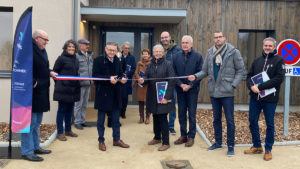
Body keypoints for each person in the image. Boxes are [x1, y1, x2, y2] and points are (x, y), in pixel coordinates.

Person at [188, 31, 245, 156]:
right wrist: (195, 76)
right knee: (216, 119)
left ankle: (230, 146)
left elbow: (241, 71)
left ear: (224, 38)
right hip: (214, 91)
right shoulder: (210, 52)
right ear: (213, 39)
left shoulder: (233, 52)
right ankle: (218, 142)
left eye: (220, 37)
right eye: (216, 37)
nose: (218, 39)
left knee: (230, 120)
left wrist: (233, 85)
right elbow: (204, 71)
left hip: (227, 92)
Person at [244, 37, 285, 161]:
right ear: (263, 46)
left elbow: (279, 79)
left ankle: (268, 149)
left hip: (270, 99)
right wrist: (251, 86)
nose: (267, 47)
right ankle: (257, 146)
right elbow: (249, 76)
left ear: (274, 47)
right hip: (255, 97)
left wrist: (260, 87)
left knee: (270, 124)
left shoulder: (279, 60)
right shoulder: (257, 60)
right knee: (252, 121)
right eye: (265, 45)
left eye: (270, 46)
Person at [21, 29, 56, 162]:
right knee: (29, 124)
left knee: (36, 123)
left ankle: (36, 147)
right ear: (36, 38)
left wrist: (50, 72)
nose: (47, 42)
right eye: (45, 39)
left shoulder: (42, 50)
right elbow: (22, 68)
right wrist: (32, 81)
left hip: (41, 92)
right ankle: (27, 151)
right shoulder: (28, 49)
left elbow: (42, 67)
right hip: (31, 93)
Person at [93, 42, 130, 151]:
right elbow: (95, 76)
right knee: (100, 121)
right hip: (103, 95)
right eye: (110, 50)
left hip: (115, 94)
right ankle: (101, 141)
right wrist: (108, 78)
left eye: (114, 50)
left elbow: (120, 74)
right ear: (105, 49)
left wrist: (123, 78)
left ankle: (116, 140)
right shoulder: (98, 60)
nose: (112, 52)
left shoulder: (118, 61)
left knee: (115, 120)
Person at [138, 44, 175, 151]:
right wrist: (142, 80)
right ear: (153, 53)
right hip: (152, 96)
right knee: (155, 116)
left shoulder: (168, 64)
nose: (158, 53)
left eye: (160, 51)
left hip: (163, 96)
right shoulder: (150, 65)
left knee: (163, 118)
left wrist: (166, 97)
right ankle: (157, 137)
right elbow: (146, 76)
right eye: (156, 51)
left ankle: (166, 142)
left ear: (163, 53)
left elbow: (172, 81)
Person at [173, 35, 203, 147]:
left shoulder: (198, 56)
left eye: (187, 42)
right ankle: (183, 135)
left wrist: (190, 85)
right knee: (181, 114)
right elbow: (174, 73)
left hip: (192, 91)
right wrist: (181, 85)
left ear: (191, 44)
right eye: (183, 42)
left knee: (191, 114)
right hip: (180, 90)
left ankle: (191, 137)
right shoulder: (176, 56)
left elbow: (200, 74)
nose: (184, 44)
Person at [53, 40, 81, 141]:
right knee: (62, 111)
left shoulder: (76, 59)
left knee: (70, 111)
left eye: (73, 47)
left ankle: (68, 130)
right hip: (63, 90)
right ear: (65, 48)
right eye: (69, 47)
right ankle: (60, 132)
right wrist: (61, 84)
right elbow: (54, 73)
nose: (71, 49)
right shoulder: (61, 59)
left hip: (73, 90)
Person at [160, 31, 181, 135]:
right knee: (160, 104)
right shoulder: (159, 49)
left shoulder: (177, 50)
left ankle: (171, 126)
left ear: (170, 37)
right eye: (162, 38)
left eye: (166, 37)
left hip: (172, 83)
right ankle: (162, 125)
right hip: (160, 82)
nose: (164, 39)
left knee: (171, 105)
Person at [73, 39, 93, 130]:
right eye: (85, 44)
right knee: (78, 104)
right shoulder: (76, 56)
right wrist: (79, 78)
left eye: (88, 44)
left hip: (88, 83)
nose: (87, 46)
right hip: (80, 84)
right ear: (80, 45)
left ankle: (82, 120)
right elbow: (74, 70)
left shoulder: (89, 55)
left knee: (85, 104)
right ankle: (77, 121)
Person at [133, 48, 152, 124]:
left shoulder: (151, 63)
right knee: (140, 102)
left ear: (149, 55)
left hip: (148, 85)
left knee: (148, 102)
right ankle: (141, 117)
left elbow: (152, 73)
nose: (145, 55)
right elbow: (136, 73)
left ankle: (147, 117)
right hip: (140, 85)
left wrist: (145, 79)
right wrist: (138, 78)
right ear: (142, 55)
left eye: (146, 54)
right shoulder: (139, 63)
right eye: (143, 54)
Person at [120, 42, 136, 119]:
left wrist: (126, 75)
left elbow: (133, 69)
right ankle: (117, 111)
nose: (127, 49)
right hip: (118, 80)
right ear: (122, 48)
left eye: (128, 48)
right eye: (125, 48)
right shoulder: (118, 56)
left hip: (127, 80)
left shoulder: (132, 58)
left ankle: (123, 112)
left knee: (125, 98)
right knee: (118, 96)